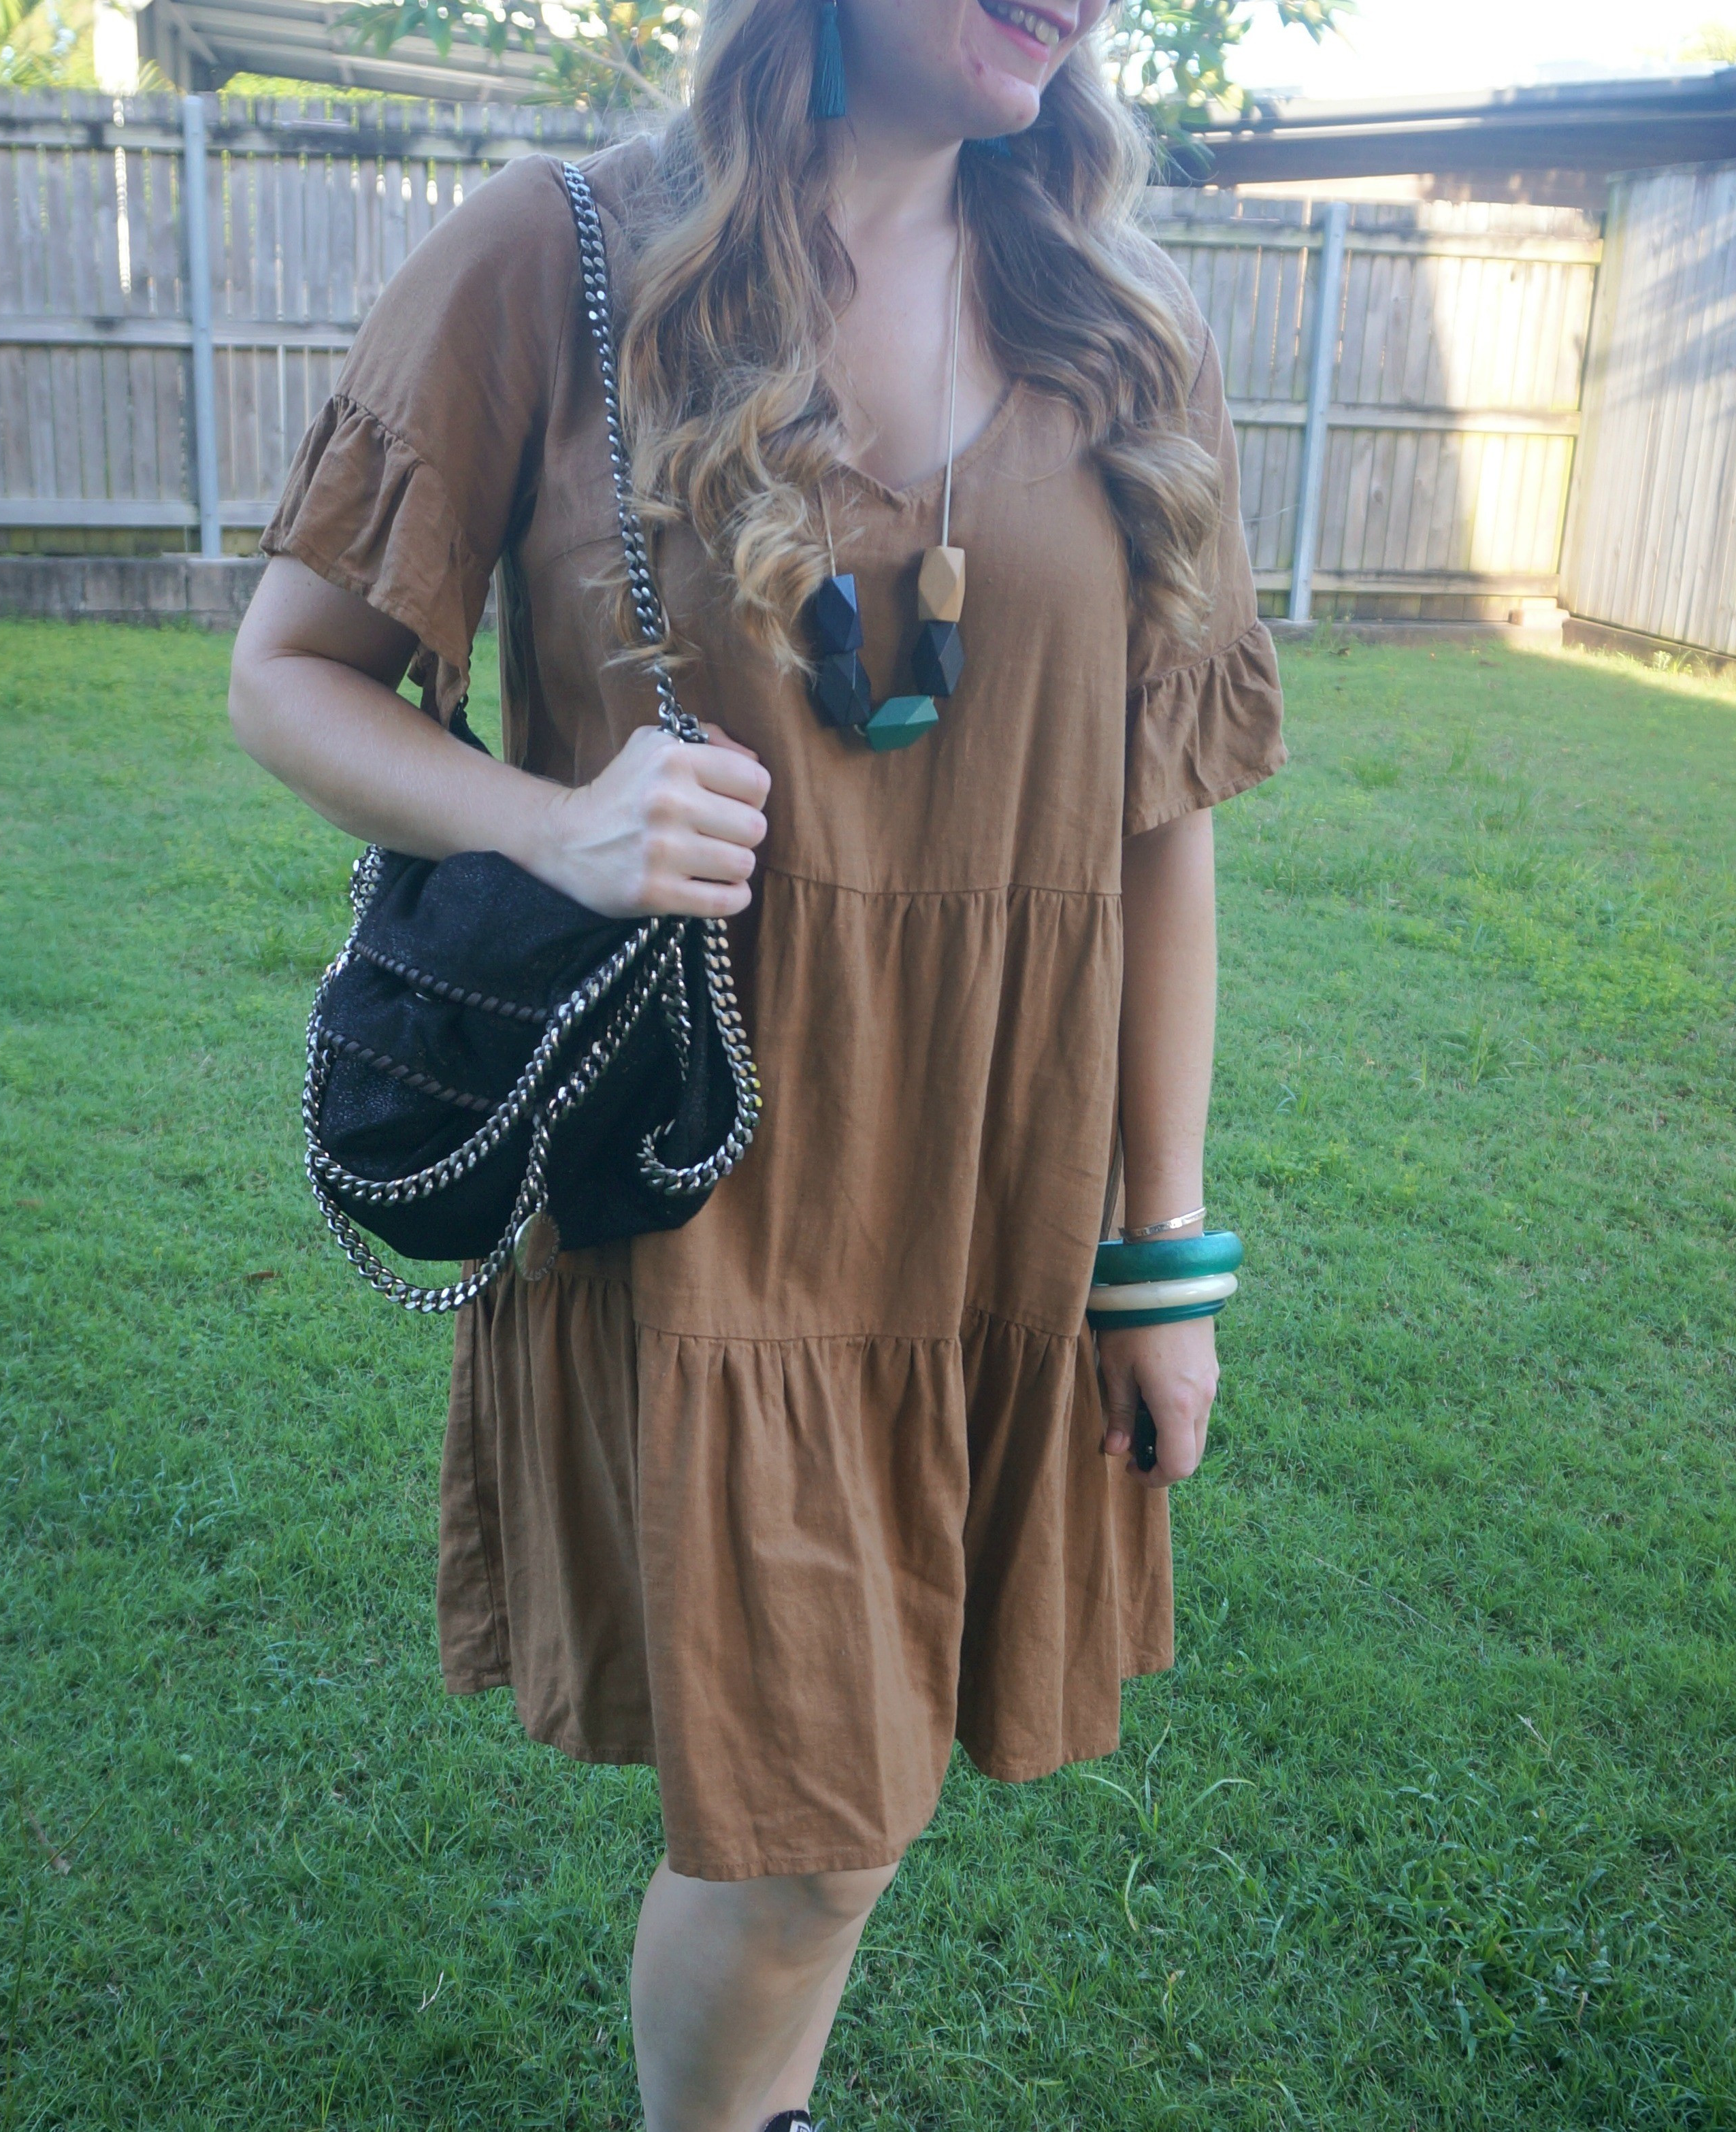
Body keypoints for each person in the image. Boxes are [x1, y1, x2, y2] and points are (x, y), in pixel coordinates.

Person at [228, 0, 1284, 2124]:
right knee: (809, 1834)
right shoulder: (564, 260)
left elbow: (1159, 829)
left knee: (849, 1810)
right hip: (714, 1185)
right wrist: (554, 822)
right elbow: (289, 676)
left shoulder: (1121, 325)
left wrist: (1159, 1254)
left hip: (996, 1195)